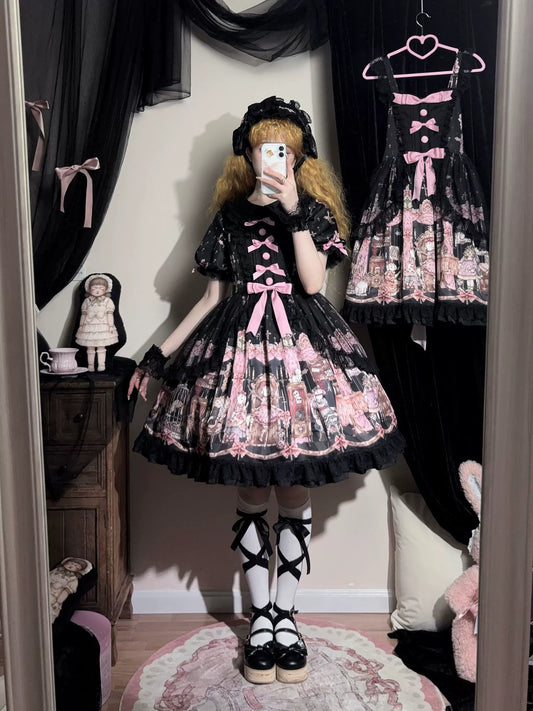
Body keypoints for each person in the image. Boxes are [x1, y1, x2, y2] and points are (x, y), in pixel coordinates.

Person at [128, 96, 404, 685]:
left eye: (286, 149)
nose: (274, 157)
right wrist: (158, 355)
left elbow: (312, 283)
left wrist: (295, 210)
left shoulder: (314, 212)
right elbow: (210, 299)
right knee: (253, 488)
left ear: (298, 158)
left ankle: (286, 617)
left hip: (303, 357)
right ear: (248, 154)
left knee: (294, 487)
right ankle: (260, 619)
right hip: (241, 359)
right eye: (264, 147)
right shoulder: (228, 217)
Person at [75, 274, 118, 371]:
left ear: (106, 289)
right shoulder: (87, 301)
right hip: (89, 326)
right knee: (90, 347)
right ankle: (90, 365)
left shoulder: (107, 301)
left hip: (102, 326)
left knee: (101, 346)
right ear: (89, 289)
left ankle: (101, 365)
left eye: (101, 288)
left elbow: (110, 314)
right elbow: (83, 314)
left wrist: (111, 326)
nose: (97, 290)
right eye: (94, 288)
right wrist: (81, 325)